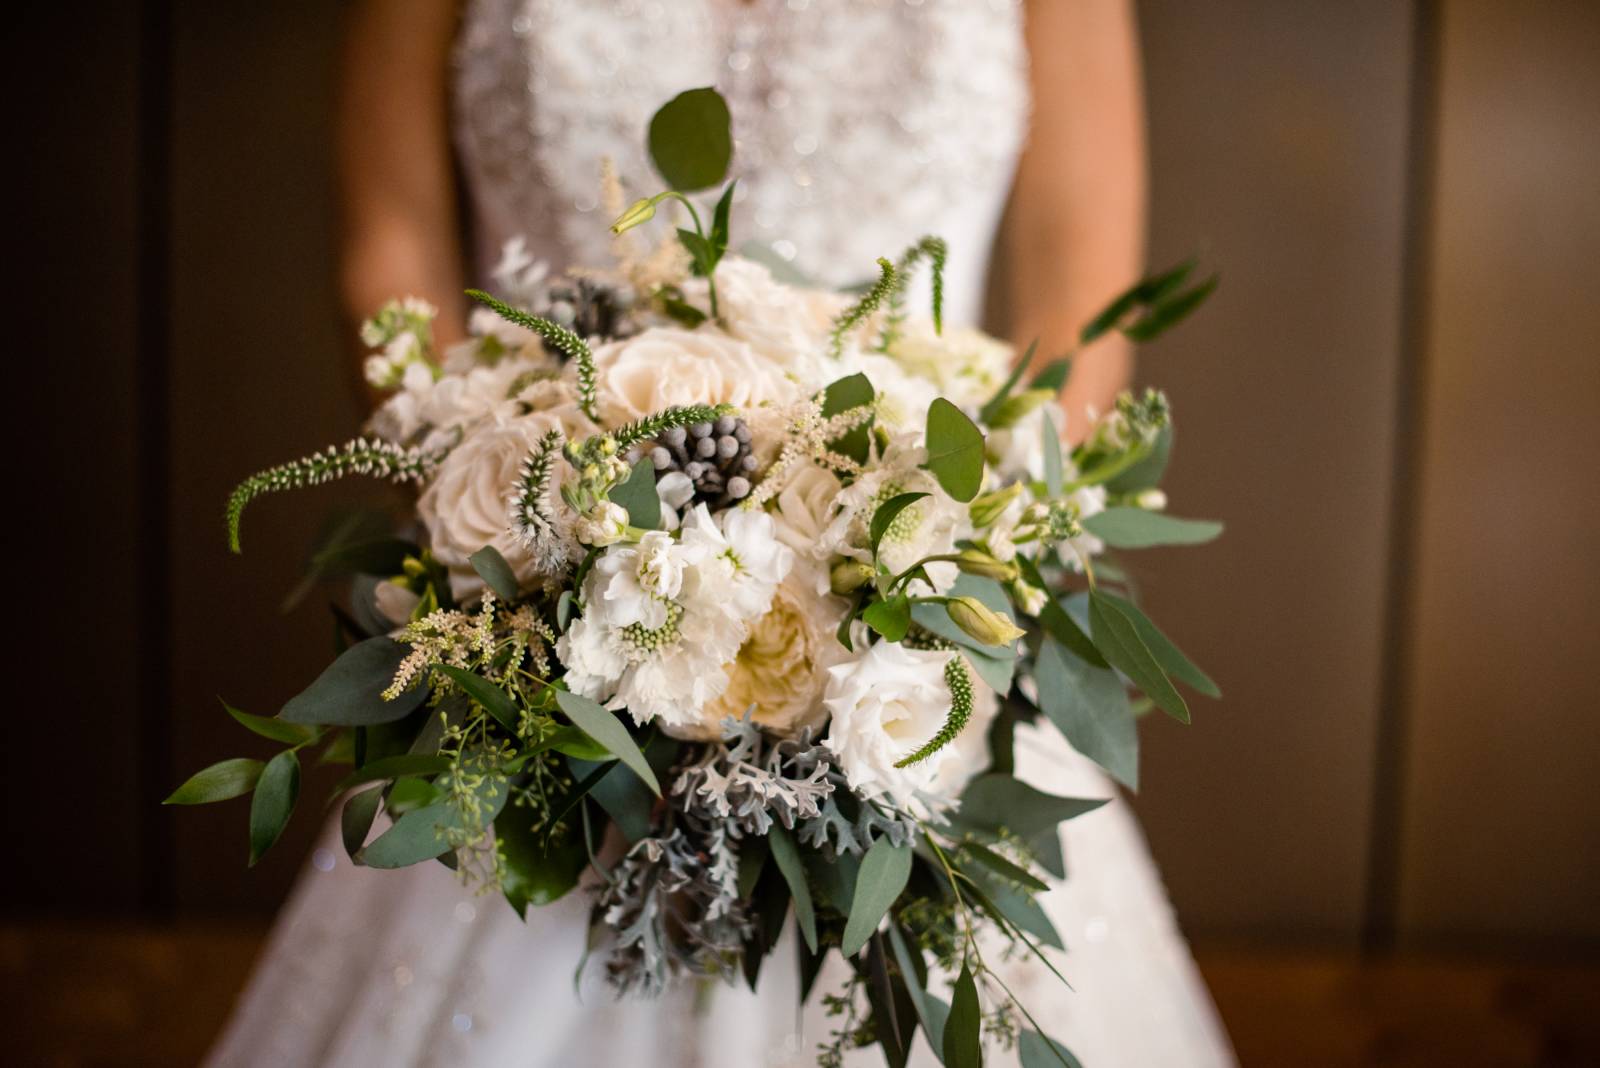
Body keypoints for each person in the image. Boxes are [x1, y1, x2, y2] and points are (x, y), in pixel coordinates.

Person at [207, 2, 1235, 1065]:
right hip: (540, 627)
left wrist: (932, 571)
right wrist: (528, 564)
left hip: (913, 652)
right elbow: (392, 245)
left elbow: (1082, 308)